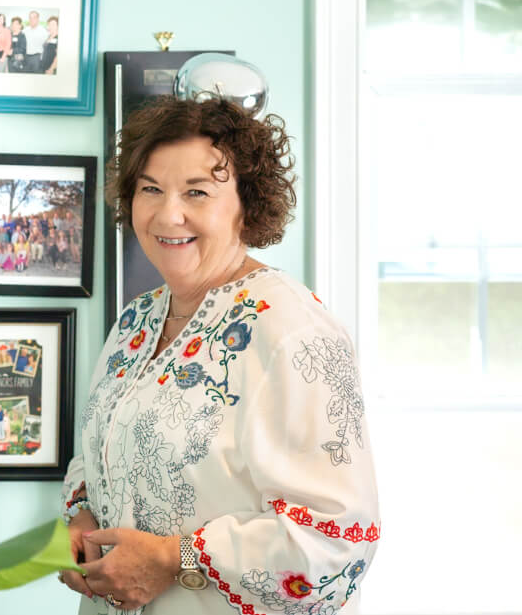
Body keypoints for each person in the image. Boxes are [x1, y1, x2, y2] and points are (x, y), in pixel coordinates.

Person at [55, 96, 379, 614]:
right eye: (151, 189)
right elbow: (98, 452)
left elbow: (340, 543)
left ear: (246, 205)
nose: (168, 213)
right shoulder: (135, 323)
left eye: (197, 192)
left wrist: (172, 558)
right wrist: (83, 515)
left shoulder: (294, 332)